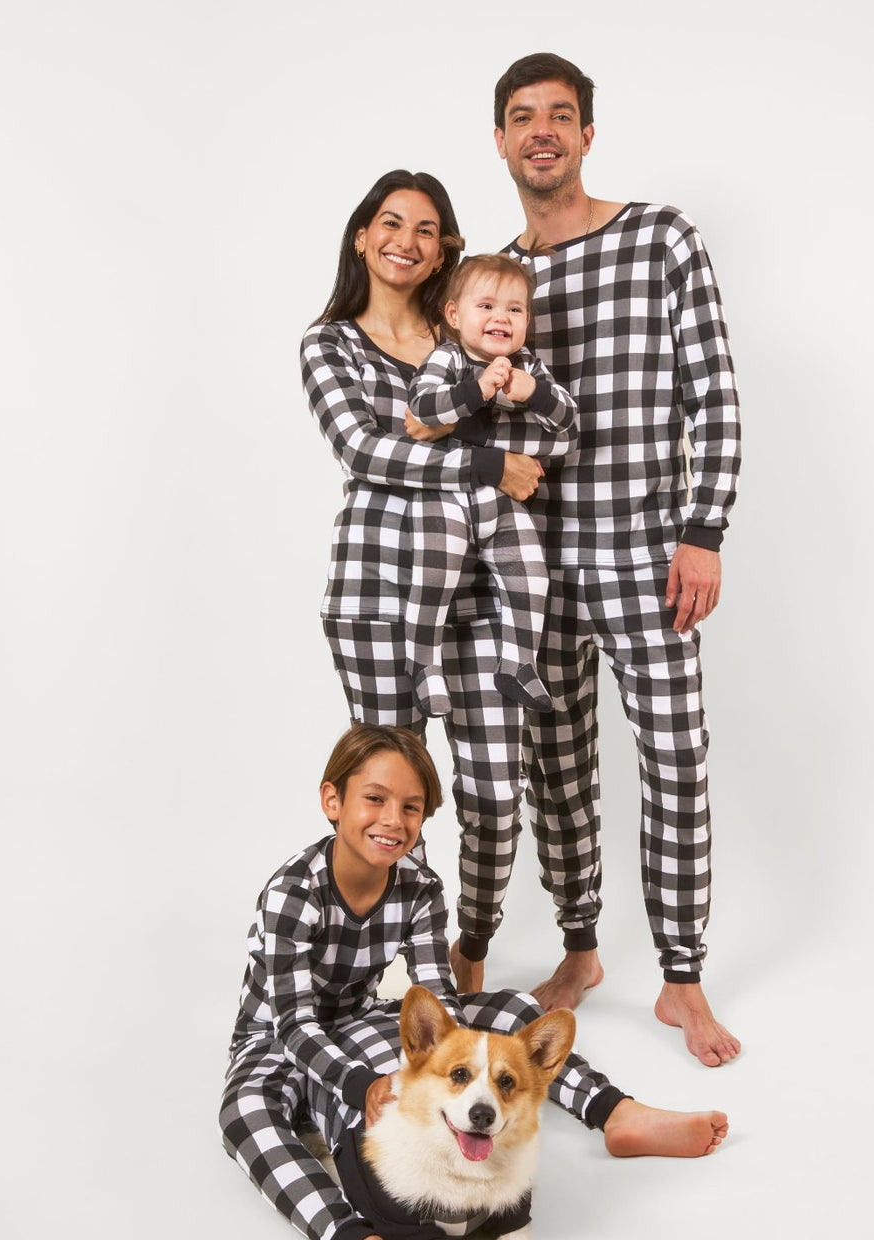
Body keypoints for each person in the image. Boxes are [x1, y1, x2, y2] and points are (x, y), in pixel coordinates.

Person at [219, 724, 730, 1240]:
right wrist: (363, 1082)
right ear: (334, 802)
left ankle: (615, 1113)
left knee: (514, 1007)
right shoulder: (292, 895)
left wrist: (436, 1059)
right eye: (374, 799)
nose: (392, 820)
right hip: (277, 1036)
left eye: (410, 808)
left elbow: (445, 1007)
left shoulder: (419, 887)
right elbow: (295, 1022)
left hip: (367, 1016)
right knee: (242, 1113)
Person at [484, 53, 744, 1067]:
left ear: (588, 134)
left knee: (674, 757)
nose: (541, 131)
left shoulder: (659, 237)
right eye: (521, 117)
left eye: (560, 116)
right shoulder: (498, 279)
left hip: (647, 554)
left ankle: (682, 979)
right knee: (557, 769)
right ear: (500, 141)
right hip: (533, 564)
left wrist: (704, 527)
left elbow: (711, 388)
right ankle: (581, 950)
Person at [300, 170, 551, 989]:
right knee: (387, 799)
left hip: (482, 605)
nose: (406, 241)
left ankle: (465, 954)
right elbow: (366, 451)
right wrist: (487, 462)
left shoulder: (469, 339)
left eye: (427, 228)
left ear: (445, 246)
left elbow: (545, 424)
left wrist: (526, 428)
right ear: (361, 236)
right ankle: (370, 972)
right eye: (389, 222)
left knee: (492, 795)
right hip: (378, 601)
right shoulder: (328, 345)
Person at [405, 253, 577, 716]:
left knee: (530, 575)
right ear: (455, 316)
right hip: (446, 496)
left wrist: (533, 392)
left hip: (501, 500)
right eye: (486, 306)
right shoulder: (448, 357)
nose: (501, 317)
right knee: (435, 576)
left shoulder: (528, 366)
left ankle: (518, 664)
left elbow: (568, 423)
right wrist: (477, 391)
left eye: (515, 309)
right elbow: (420, 414)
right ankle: (423, 664)